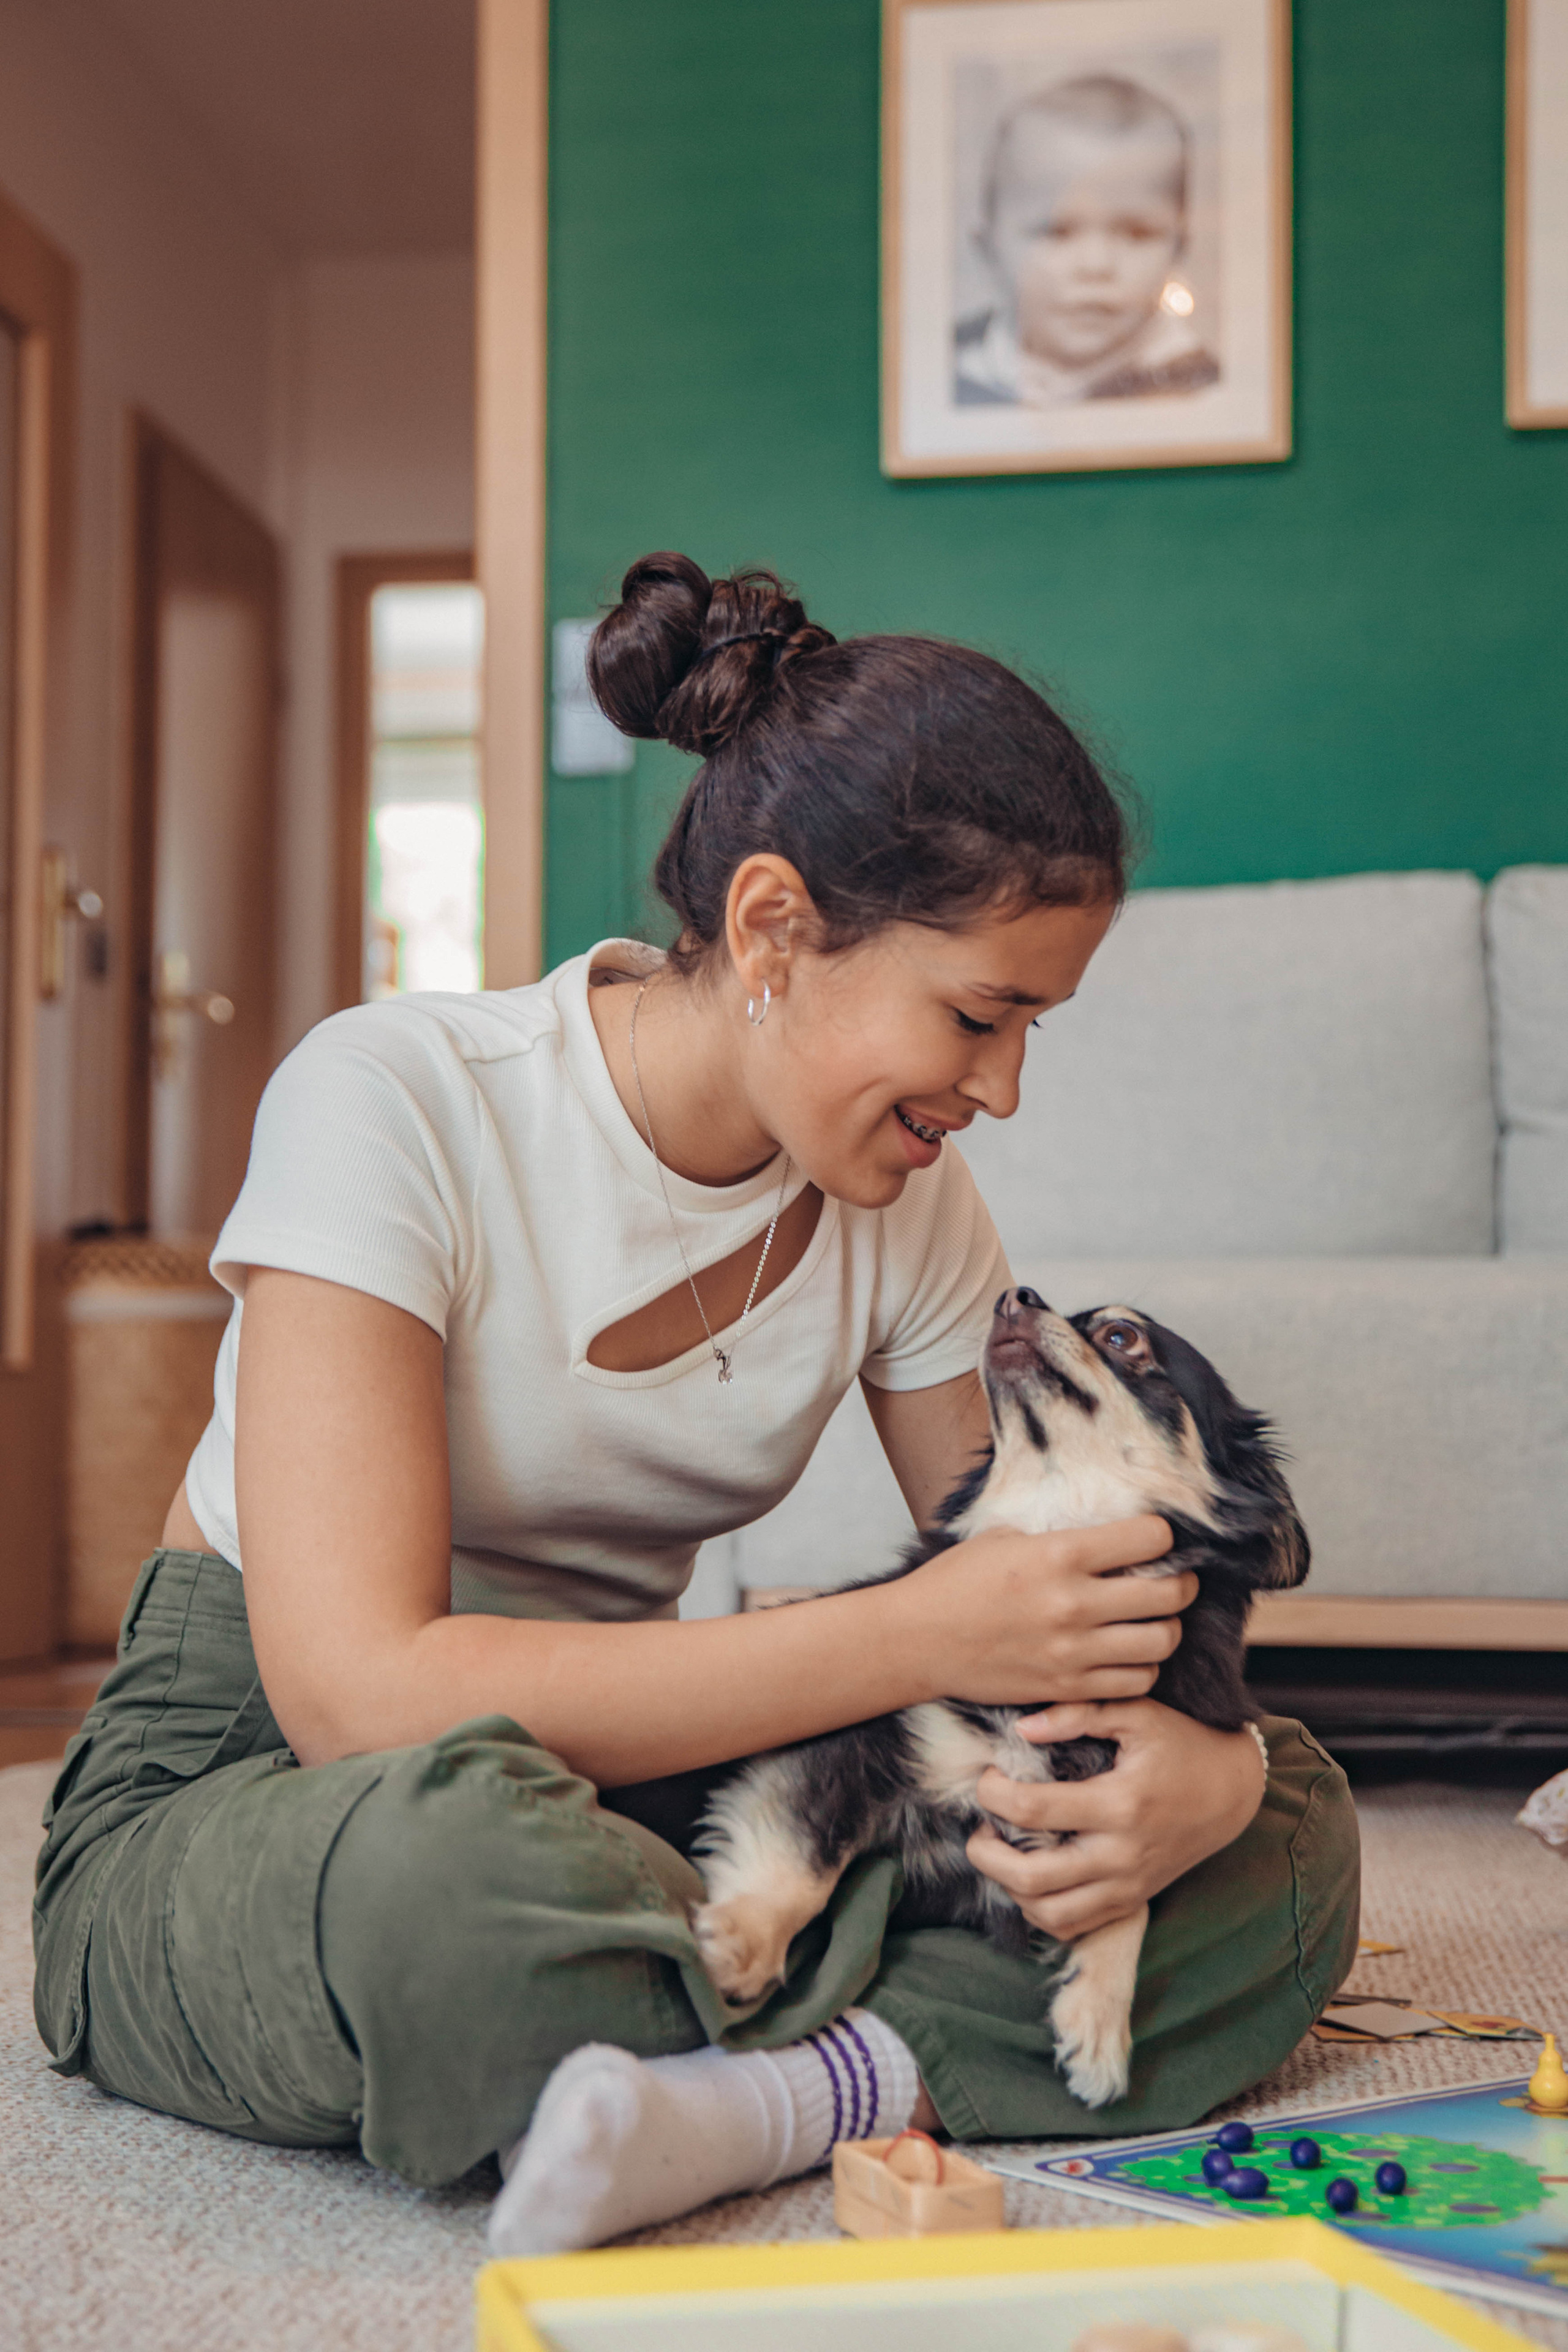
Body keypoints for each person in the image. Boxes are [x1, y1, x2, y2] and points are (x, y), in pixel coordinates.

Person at [34, 554, 1356, 2256]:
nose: (1004, 1088)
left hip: (649, 1777)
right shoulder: (396, 1098)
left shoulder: (913, 1209)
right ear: (771, 927)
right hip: (273, 1774)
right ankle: (865, 2050)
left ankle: (726, 2101)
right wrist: (923, 1642)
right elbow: (364, 1697)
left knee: (1295, 1815)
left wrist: (1203, 1781)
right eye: (978, 1014)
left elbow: (1044, 1641)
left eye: (1034, 1028)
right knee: (454, 1884)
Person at [956, 72, 1221, 407]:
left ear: (1180, 249)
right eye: (1056, 231)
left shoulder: (1205, 394)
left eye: (1136, 233)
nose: (1096, 266)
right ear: (988, 249)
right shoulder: (944, 375)